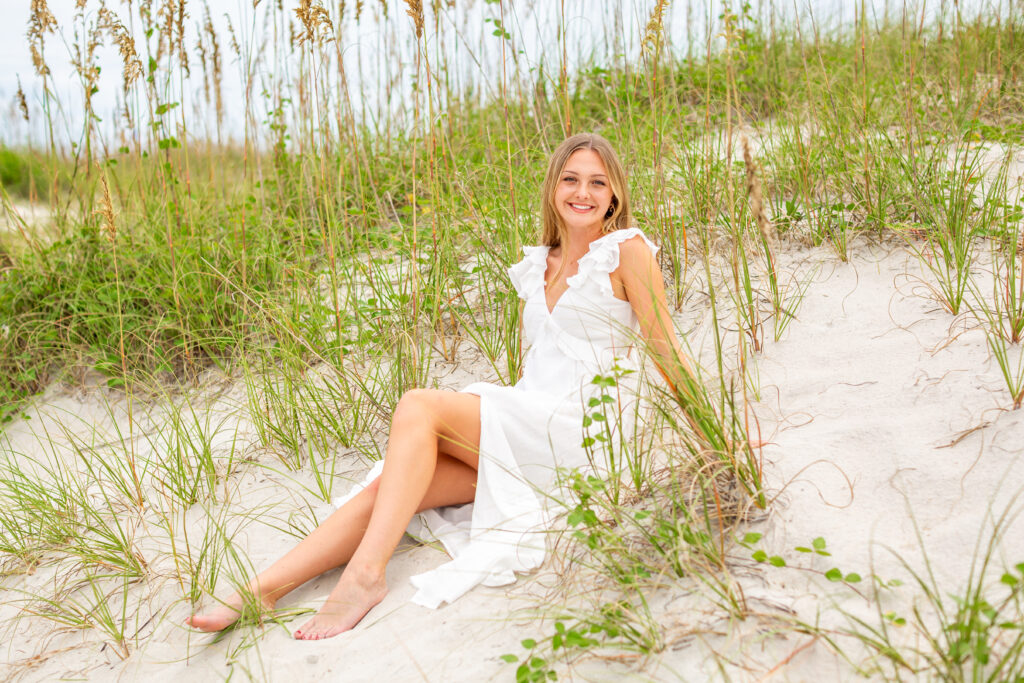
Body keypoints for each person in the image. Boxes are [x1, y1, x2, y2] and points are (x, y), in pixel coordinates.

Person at [185, 132, 692, 640]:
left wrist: (714, 433)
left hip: (585, 430)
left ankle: (365, 577)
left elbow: (665, 347)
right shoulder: (540, 263)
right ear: (553, 188)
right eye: (571, 179)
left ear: (615, 194)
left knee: (419, 406)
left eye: (598, 183)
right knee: (396, 488)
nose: (583, 192)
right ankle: (263, 590)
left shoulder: (627, 252)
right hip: (533, 422)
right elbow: (540, 363)